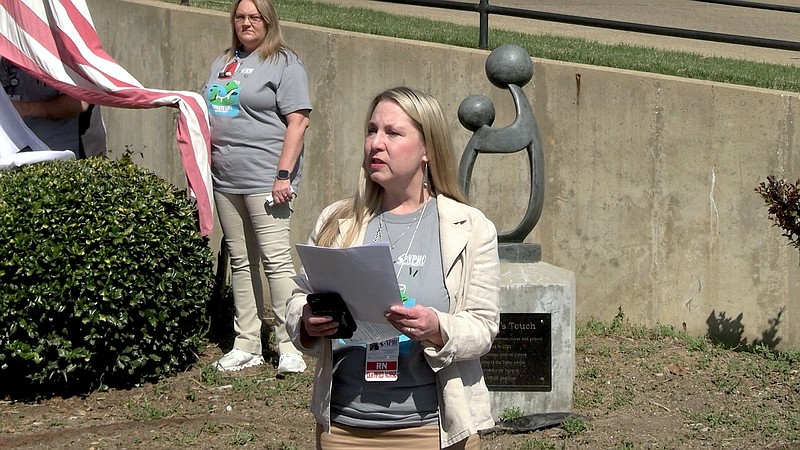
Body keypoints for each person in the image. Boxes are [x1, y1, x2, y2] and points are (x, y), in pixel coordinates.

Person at [286, 87, 500, 449]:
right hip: (345, 427)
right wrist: (307, 321)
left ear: (427, 150)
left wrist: (437, 327)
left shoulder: (468, 227)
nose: (376, 143)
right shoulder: (337, 221)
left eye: (393, 133)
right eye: (372, 130)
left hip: (432, 430)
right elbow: (296, 302)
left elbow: (483, 327)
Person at [203, 0, 312, 374]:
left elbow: (298, 121)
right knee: (241, 260)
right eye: (240, 17)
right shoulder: (223, 63)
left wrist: (283, 175)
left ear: (268, 22)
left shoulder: (285, 63)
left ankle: (290, 344)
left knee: (276, 262)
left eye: (254, 17)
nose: (246, 23)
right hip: (225, 179)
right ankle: (247, 342)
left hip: (267, 180)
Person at [0, 58, 103, 157]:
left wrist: (27, 109)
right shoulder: (11, 52)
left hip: (60, 154)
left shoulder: (62, 53)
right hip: (19, 151)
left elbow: (79, 103)